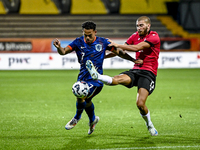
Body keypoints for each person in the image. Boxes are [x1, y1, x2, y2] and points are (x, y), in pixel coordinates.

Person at [53, 21, 142, 135]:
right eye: (85, 35)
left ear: (95, 32)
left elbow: (119, 52)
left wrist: (133, 60)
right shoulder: (78, 42)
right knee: (87, 100)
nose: (88, 37)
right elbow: (64, 52)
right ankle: (92, 120)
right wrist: (59, 47)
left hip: (97, 80)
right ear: (82, 32)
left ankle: (77, 117)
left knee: (81, 96)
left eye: (90, 34)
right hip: (82, 78)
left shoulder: (103, 42)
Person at [86, 16, 160, 136]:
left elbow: (136, 48)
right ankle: (97, 76)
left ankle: (149, 124)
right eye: (137, 25)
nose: (139, 28)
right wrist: (102, 56)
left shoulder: (154, 36)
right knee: (118, 79)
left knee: (140, 104)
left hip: (149, 73)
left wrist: (117, 44)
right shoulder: (134, 35)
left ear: (148, 26)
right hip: (136, 70)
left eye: (141, 25)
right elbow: (120, 52)